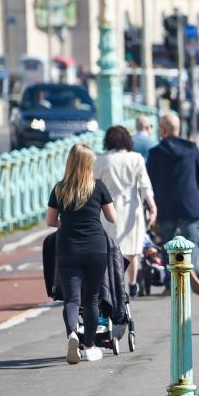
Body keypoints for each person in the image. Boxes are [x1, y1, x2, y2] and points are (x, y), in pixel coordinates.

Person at [46, 144, 117, 364]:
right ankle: (89, 346)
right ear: (89, 163)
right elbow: (112, 217)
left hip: (67, 248)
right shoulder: (98, 187)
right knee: (92, 299)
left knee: (72, 299)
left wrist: (66, 223)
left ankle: (72, 335)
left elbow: (50, 221)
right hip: (95, 248)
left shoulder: (59, 189)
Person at [147, 114, 199, 295]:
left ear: (163, 130)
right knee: (192, 241)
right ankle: (192, 267)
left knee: (167, 245)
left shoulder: (156, 152)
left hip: (165, 205)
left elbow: (149, 179)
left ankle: (169, 285)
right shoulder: (192, 148)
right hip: (189, 204)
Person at [94, 125, 157, 298]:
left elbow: (93, 184)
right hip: (132, 207)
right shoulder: (136, 158)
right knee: (132, 249)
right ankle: (133, 283)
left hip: (108, 209)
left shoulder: (101, 160)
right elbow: (145, 185)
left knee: (111, 249)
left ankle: (112, 285)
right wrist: (152, 206)